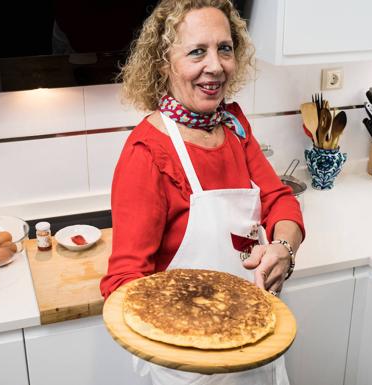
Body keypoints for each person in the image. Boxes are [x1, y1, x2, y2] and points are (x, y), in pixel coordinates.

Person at [100, 0, 305, 384]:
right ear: (163, 63)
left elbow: (279, 200)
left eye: (224, 48)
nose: (216, 66)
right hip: (186, 367)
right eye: (197, 51)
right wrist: (191, 332)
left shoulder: (234, 125)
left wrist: (283, 250)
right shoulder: (147, 153)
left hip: (254, 344)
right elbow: (125, 280)